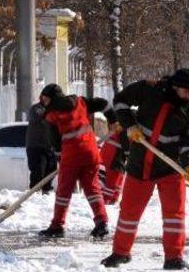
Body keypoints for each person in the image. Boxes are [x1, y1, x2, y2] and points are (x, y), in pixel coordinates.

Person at [101, 68, 189, 270]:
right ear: (175, 86)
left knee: (175, 215)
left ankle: (174, 257)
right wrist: (129, 125)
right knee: (129, 211)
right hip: (141, 162)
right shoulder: (150, 89)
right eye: (185, 91)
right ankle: (120, 253)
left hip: (171, 167)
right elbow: (120, 101)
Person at [38, 84, 113, 239]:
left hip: (71, 156)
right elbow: (103, 104)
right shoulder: (80, 102)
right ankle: (101, 222)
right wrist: (113, 119)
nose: (43, 102)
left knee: (63, 192)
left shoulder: (52, 115)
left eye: (44, 98)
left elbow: (55, 141)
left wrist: (60, 157)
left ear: (51, 98)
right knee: (93, 189)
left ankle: (57, 225)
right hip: (91, 152)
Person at [26, 101, 57, 193]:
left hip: (49, 147)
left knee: (52, 169)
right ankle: (34, 193)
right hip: (36, 146)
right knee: (38, 171)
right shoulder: (36, 108)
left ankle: (46, 190)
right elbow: (35, 116)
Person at [99, 110, 128, 204]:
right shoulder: (126, 124)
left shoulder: (126, 122)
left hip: (117, 154)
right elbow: (126, 143)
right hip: (113, 154)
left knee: (118, 176)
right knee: (112, 178)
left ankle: (112, 199)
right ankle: (106, 201)